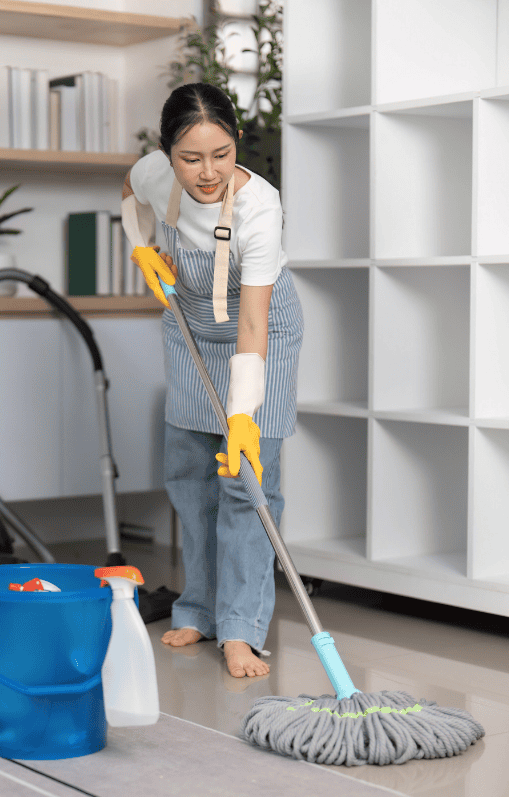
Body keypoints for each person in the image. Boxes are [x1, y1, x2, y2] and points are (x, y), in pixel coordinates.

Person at [120, 82, 303, 679]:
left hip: (261, 339)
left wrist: (244, 413)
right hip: (191, 327)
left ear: (238, 143)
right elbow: (129, 190)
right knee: (192, 475)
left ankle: (242, 630)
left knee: (247, 485)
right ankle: (198, 608)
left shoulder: (261, 209)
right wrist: (141, 246)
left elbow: (253, 320)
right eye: (190, 158)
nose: (207, 173)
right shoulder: (154, 174)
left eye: (221, 155)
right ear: (168, 153)